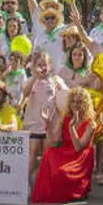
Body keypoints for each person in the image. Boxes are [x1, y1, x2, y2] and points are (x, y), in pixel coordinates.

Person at [30, 86, 97, 204]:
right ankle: (49, 193)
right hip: (65, 151)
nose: (75, 105)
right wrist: (48, 123)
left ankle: (74, 192)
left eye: (79, 102)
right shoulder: (65, 117)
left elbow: (78, 147)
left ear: (85, 104)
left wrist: (72, 127)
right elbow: (54, 142)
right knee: (48, 152)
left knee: (61, 172)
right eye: (73, 101)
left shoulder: (91, 124)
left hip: (80, 157)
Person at [22, 52, 68, 183]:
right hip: (33, 124)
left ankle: (44, 183)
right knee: (33, 153)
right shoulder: (30, 81)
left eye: (45, 65)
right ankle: (25, 183)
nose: (42, 68)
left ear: (50, 65)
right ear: (34, 67)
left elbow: (65, 98)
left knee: (47, 155)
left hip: (51, 125)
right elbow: (25, 93)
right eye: (39, 65)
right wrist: (35, 77)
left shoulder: (56, 80)